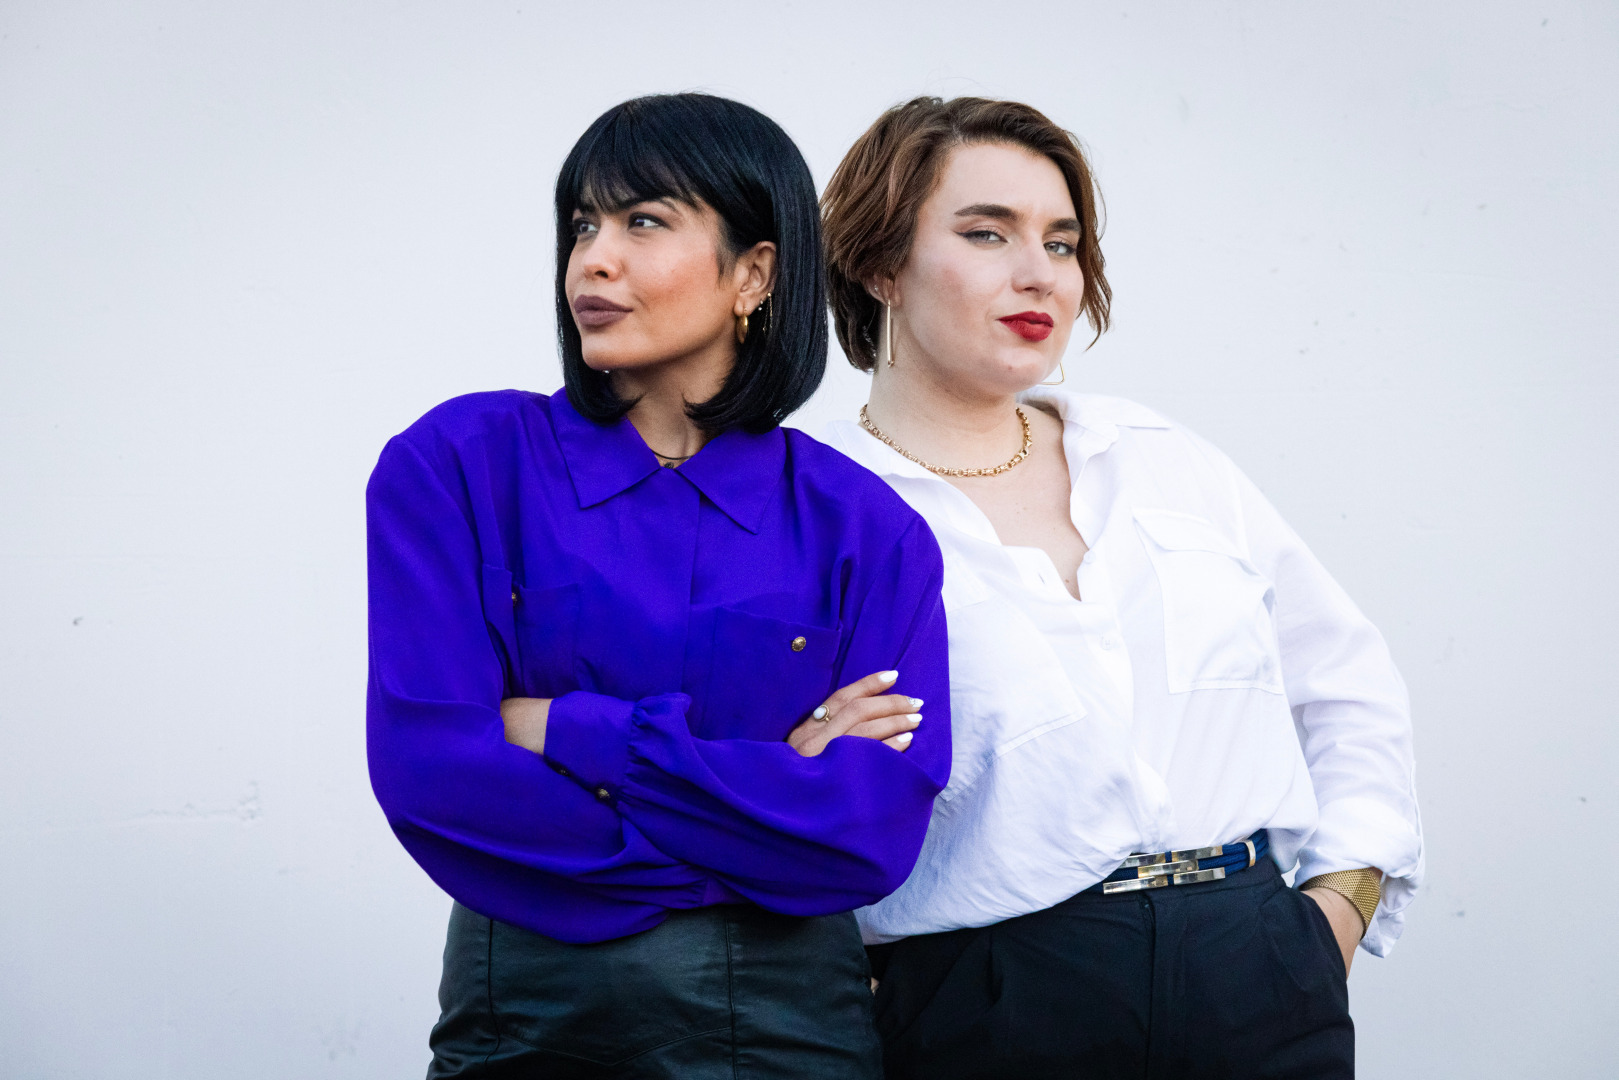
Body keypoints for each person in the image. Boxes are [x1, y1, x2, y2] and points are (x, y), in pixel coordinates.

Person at [819, 96, 1423, 1079]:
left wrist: (1335, 915)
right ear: (878, 263)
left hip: (1258, 972)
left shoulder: (1160, 458)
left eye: (1061, 242)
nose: (1038, 274)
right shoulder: (814, 507)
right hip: (990, 1002)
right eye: (986, 233)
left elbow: (1343, 681)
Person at [366, 93, 951, 1079]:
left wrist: (565, 729)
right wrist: (766, 802)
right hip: (527, 1020)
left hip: (790, 1029)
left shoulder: (867, 528)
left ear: (752, 274)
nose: (592, 261)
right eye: (582, 226)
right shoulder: (457, 465)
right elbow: (430, 771)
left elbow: (868, 834)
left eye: (642, 222)